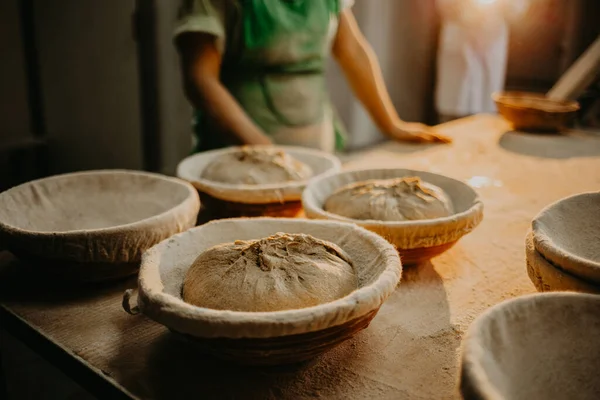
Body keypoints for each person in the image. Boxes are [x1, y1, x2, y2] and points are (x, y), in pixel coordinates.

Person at [174, 0, 451, 153]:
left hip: (316, 145)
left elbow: (352, 51)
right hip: (238, 152)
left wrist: (391, 124)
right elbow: (200, 79)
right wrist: (265, 150)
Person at [435, 0, 529, 122]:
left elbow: (518, 9)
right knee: (453, 110)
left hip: (492, 33)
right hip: (459, 32)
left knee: (484, 112)